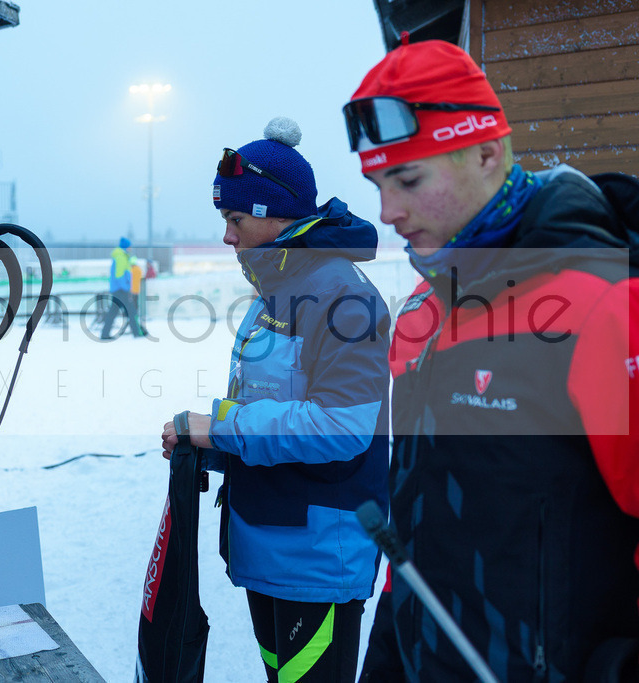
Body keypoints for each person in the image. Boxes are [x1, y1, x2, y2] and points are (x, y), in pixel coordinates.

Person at [344, 38, 639, 681]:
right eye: (377, 184)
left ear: (487, 153)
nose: (388, 212)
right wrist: (388, 654)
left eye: (408, 179)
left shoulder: (606, 304)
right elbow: (417, 524)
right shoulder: (420, 315)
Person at [161, 117, 391, 682]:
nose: (227, 236)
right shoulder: (278, 291)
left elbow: (340, 427)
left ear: (275, 214)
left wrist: (219, 427)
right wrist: (209, 447)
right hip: (268, 544)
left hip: (317, 556)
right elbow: (269, 404)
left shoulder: (342, 296)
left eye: (235, 219)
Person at [100, 236, 143, 338]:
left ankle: (105, 334)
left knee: (113, 311)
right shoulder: (121, 257)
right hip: (121, 289)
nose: (130, 248)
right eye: (129, 246)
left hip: (117, 289)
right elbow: (119, 275)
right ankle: (136, 332)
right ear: (126, 247)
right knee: (131, 311)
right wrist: (126, 287)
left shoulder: (121, 256)